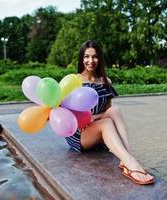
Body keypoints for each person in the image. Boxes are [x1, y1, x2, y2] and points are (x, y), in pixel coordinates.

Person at [65, 40, 154, 185]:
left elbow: (107, 111)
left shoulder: (105, 81)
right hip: (80, 134)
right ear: (81, 58)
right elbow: (68, 115)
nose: (90, 61)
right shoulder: (74, 81)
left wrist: (94, 117)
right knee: (106, 123)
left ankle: (127, 158)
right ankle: (131, 162)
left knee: (115, 110)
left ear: (99, 58)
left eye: (94, 56)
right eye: (86, 56)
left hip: (96, 126)